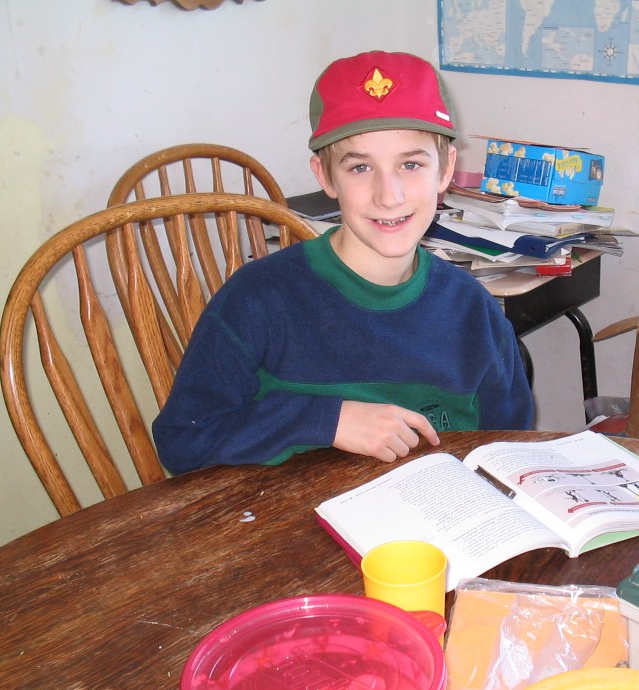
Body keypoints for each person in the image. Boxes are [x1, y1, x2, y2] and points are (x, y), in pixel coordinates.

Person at [152, 50, 534, 474]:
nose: (389, 196)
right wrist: (325, 420)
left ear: (445, 171)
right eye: (360, 168)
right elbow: (182, 442)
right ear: (325, 176)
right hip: (291, 512)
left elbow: (506, 450)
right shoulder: (257, 300)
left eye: (410, 164)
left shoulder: (473, 311)